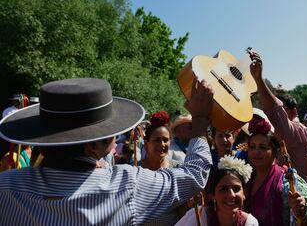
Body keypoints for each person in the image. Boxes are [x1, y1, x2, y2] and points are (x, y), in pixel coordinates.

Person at [0, 77, 213, 224]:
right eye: (109, 130)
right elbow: (193, 176)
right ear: (93, 145)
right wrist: (201, 121)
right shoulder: (126, 186)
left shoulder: (6, 187)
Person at [244, 117, 307, 226]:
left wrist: (301, 213)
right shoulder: (245, 178)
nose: (256, 152)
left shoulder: (289, 181)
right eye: (252, 147)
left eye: (263, 147)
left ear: (275, 152)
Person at [249, 51, 307, 181]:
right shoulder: (273, 134)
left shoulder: (298, 130)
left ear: (293, 111)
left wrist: (259, 80)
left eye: (284, 110)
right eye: (252, 147)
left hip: (299, 196)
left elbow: (275, 113)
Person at [176, 155, 259, 226]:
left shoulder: (249, 223)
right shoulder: (200, 216)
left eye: (236, 189)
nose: (231, 195)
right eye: (223, 189)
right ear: (212, 195)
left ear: (244, 194)